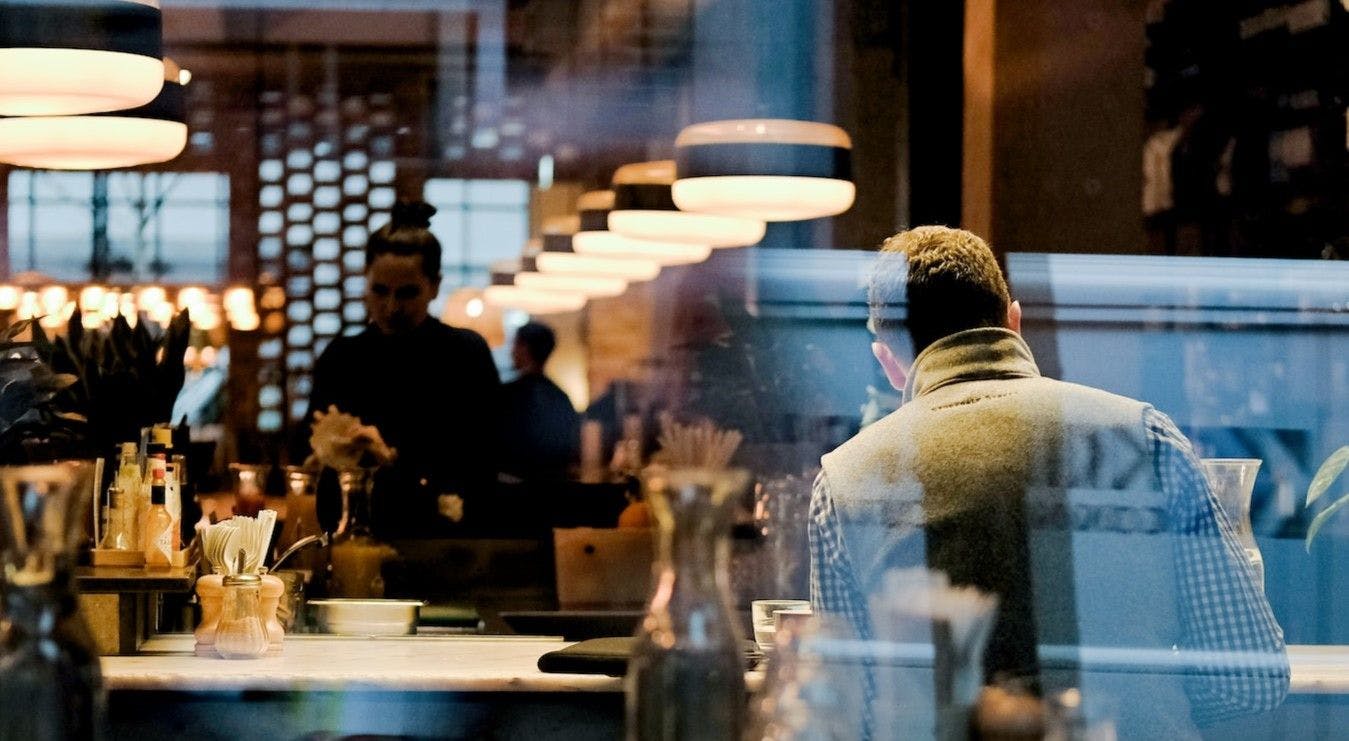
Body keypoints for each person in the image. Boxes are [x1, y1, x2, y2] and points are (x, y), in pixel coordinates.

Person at [809, 226, 1287, 736]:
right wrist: (1144, 701)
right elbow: (1249, 678)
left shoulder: (844, 483)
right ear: (1014, 322)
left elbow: (844, 719)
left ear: (889, 363)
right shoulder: (1145, 436)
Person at [301, 199, 501, 535]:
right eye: (380, 291)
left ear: (435, 286)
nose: (391, 307)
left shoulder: (464, 355)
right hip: (349, 533)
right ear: (365, 282)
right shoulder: (342, 357)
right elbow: (305, 449)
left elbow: (486, 460)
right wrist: (329, 450)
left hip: (440, 538)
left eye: (407, 293)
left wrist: (394, 459)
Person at [498, 321, 580, 482]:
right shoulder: (561, 397)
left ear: (524, 348)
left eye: (515, 344)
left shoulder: (507, 394)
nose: (512, 351)